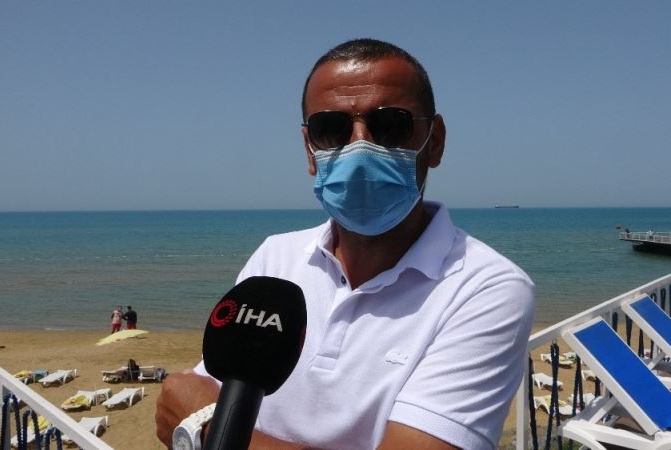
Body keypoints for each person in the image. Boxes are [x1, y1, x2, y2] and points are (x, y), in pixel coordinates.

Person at [156, 38, 535, 450]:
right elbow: (213, 385)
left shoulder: (486, 287)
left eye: (390, 125)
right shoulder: (274, 257)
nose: (359, 146)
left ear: (436, 141)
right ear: (309, 150)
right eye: (331, 129)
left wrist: (207, 428)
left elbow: (196, 409)